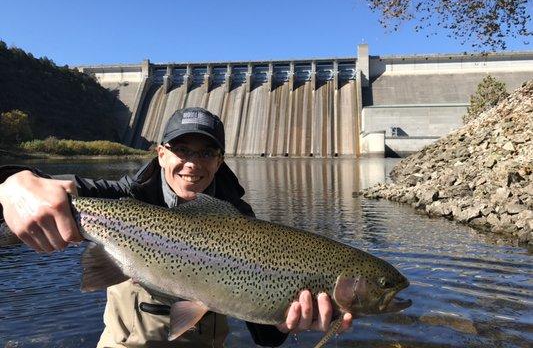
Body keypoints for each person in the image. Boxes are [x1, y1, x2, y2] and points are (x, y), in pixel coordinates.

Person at [0, 107, 353, 347]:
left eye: (206, 153)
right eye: (181, 149)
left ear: (220, 160)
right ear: (161, 154)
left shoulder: (241, 220)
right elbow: (50, 189)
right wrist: (13, 182)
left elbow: (263, 338)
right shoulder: (124, 197)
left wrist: (283, 323)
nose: (191, 164)